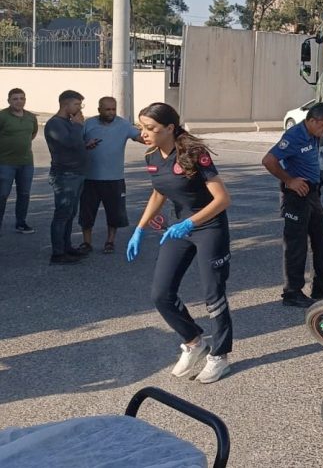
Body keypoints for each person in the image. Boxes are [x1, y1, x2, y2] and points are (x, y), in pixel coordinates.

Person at [128, 102, 234, 384]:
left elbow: (223, 199)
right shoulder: (152, 156)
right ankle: (193, 342)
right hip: (180, 230)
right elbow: (159, 193)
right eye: (141, 127)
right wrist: (139, 228)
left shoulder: (193, 154)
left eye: (151, 128)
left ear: (170, 128)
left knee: (213, 295)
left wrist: (191, 222)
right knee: (160, 294)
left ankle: (219, 355)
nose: (145, 133)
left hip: (208, 226)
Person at [261, 102, 323, 307]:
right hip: (296, 196)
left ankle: (321, 285)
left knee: (321, 241)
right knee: (296, 245)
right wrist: (290, 181)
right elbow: (268, 160)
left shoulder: (313, 136)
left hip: (312, 194)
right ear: (311, 120)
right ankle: (292, 292)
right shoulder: (294, 136)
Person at [78, 96, 143, 254]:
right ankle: (86, 242)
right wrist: (85, 146)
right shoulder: (88, 124)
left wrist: (157, 135)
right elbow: (76, 144)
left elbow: (140, 137)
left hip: (114, 178)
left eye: (113, 109)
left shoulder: (123, 124)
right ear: (99, 109)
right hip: (89, 178)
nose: (111, 112)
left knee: (114, 213)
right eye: (107, 109)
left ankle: (110, 241)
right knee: (87, 213)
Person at [44, 89, 95, 265]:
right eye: (77, 104)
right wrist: (78, 126)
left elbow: (75, 145)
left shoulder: (70, 122)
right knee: (62, 213)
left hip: (77, 173)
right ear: (66, 104)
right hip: (65, 175)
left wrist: (86, 145)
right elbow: (68, 143)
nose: (80, 108)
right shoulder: (55, 124)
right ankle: (58, 253)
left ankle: (67, 247)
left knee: (71, 213)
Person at [0, 88, 38, 234]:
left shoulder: (30, 117)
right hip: (5, 162)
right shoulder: (2, 116)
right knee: (2, 195)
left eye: (22, 98)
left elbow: (33, 134)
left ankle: (21, 223)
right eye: (15, 98)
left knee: (24, 194)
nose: (19, 101)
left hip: (26, 163)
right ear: (9, 100)